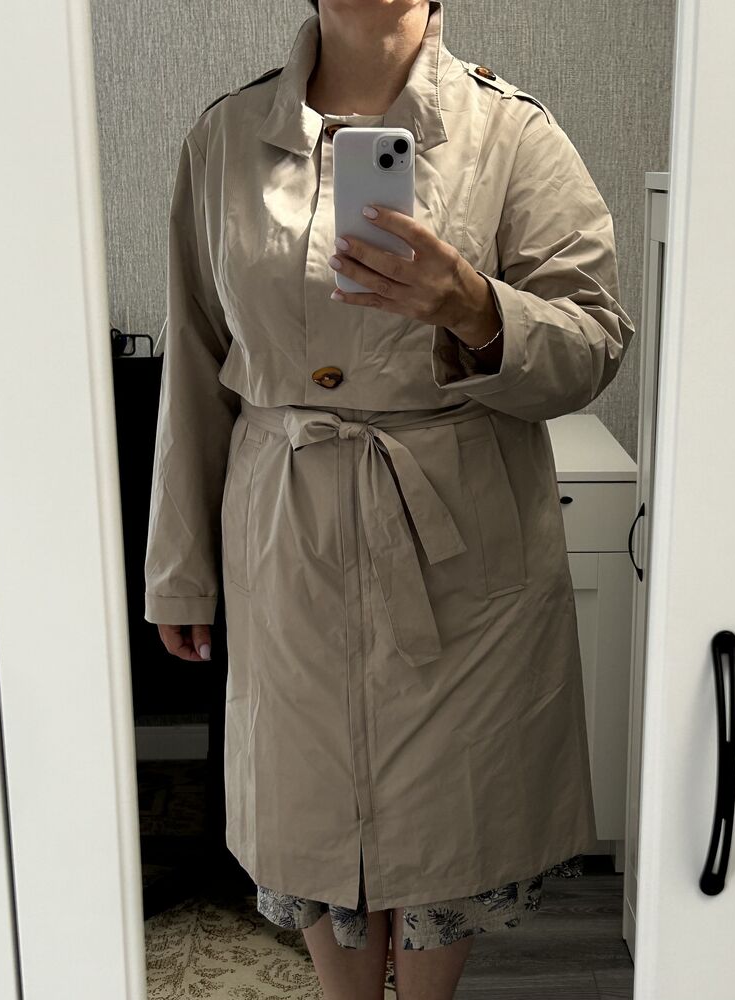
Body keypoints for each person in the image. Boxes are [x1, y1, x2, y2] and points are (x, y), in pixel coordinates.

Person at [143, 0, 636, 996]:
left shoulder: (512, 133)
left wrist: (473, 306)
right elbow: (194, 365)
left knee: (444, 817)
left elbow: (592, 343)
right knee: (310, 809)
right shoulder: (226, 138)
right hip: (287, 533)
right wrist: (178, 570)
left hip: (458, 534)